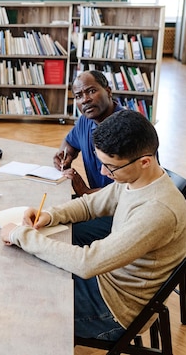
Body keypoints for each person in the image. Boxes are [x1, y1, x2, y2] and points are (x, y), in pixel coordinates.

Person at [0, 109, 186, 341]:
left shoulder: (157, 210)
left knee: (17, 306)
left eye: (110, 167)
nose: (103, 172)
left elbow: (88, 262)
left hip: (114, 309)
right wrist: (50, 215)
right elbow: (91, 205)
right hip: (105, 282)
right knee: (26, 275)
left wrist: (22, 235)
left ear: (145, 162)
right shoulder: (137, 178)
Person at [53, 70, 123, 244]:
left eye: (91, 91)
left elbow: (130, 191)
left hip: (122, 213)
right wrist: (66, 155)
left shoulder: (127, 128)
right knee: (51, 214)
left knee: (62, 233)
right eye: (78, 96)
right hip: (96, 202)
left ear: (108, 91)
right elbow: (70, 142)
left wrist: (86, 192)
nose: (85, 99)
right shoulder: (87, 119)